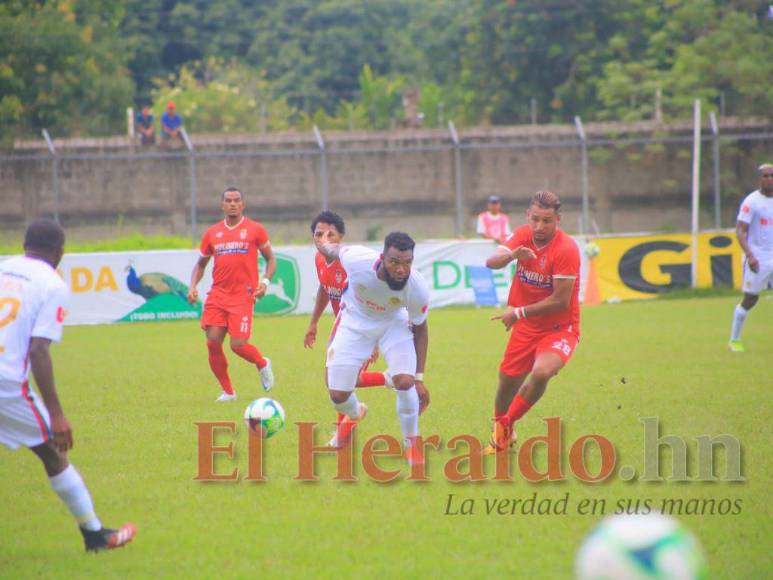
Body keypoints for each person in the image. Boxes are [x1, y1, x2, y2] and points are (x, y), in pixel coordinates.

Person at [0, 219, 136, 552]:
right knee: (52, 451)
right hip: (6, 384)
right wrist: (57, 414)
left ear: (24, 244)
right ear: (60, 252)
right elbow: (38, 349)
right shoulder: (52, 283)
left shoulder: (4, 268)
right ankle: (95, 535)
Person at [319, 232, 430, 465]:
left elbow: (420, 329)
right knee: (338, 395)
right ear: (382, 258)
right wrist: (324, 244)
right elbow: (334, 251)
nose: (401, 269)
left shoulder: (416, 287)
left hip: (393, 324)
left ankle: (412, 445)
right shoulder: (358, 260)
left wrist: (418, 378)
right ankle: (355, 412)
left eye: (407, 262)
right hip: (354, 322)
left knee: (405, 382)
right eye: (394, 262)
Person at [484, 191, 580, 454]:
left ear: (558, 220)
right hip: (527, 327)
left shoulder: (566, 249)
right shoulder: (522, 235)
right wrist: (513, 255)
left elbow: (561, 301)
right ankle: (504, 433)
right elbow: (491, 262)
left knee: (541, 372)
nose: (539, 226)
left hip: (560, 328)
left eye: (547, 221)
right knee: (507, 382)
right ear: (528, 216)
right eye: (535, 219)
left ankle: (502, 431)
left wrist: (518, 313)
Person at [304, 212, 393, 442]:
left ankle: (342, 434)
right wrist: (313, 323)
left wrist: (374, 341)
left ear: (341, 237)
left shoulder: (351, 263)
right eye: (318, 234)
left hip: (363, 329)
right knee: (336, 381)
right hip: (343, 328)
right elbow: (324, 288)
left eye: (330, 234)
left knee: (344, 382)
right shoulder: (319, 259)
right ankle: (387, 380)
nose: (323, 239)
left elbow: (375, 297)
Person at [188, 187, 276, 401]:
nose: (233, 204)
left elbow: (271, 259)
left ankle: (262, 363)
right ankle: (228, 392)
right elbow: (200, 264)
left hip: (243, 296)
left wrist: (265, 282)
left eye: (237, 200)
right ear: (222, 205)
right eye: (228, 200)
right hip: (218, 295)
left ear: (243, 204)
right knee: (212, 343)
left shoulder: (255, 230)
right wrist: (192, 286)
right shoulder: (212, 233)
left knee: (238, 345)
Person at [728, 163, 773, 352]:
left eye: (772, 175)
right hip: (758, 257)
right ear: (759, 179)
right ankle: (734, 340)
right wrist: (750, 255)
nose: (769, 179)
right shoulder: (751, 202)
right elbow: (740, 230)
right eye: (765, 176)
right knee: (750, 299)